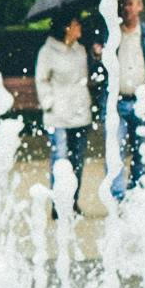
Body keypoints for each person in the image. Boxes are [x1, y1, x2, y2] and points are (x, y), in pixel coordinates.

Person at [103, 0, 145, 196]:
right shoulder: (111, 36)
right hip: (117, 102)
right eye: (124, 4)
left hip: (142, 102)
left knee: (140, 152)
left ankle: (137, 194)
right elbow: (99, 70)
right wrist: (98, 56)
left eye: (132, 4)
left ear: (140, 7)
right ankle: (117, 198)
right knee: (115, 151)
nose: (128, 9)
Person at [33, 11, 95, 194]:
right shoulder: (47, 52)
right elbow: (41, 79)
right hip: (58, 114)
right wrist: (49, 103)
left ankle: (73, 201)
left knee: (77, 159)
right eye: (76, 24)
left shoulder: (80, 50)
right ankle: (58, 202)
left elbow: (85, 77)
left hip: (79, 112)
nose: (80, 28)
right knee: (60, 158)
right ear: (66, 28)